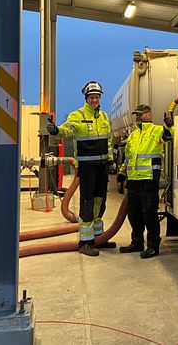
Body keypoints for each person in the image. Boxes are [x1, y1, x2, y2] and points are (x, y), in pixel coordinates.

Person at [47, 81, 114, 256]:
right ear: (86, 98)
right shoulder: (78, 115)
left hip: (101, 166)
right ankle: (85, 242)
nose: (94, 100)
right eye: (92, 97)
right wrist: (56, 131)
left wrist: (111, 161)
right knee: (88, 202)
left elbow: (108, 141)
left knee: (101, 201)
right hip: (87, 167)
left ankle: (99, 237)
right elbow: (67, 130)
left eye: (97, 97)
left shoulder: (104, 117)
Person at [117, 104, 174, 258]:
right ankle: (136, 243)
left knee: (149, 214)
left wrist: (169, 126)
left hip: (149, 180)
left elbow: (168, 136)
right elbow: (128, 157)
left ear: (148, 115)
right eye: (136, 115)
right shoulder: (133, 135)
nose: (137, 117)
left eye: (140, 114)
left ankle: (153, 246)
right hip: (134, 180)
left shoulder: (156, 130)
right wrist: (122, 173)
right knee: (133, 214)